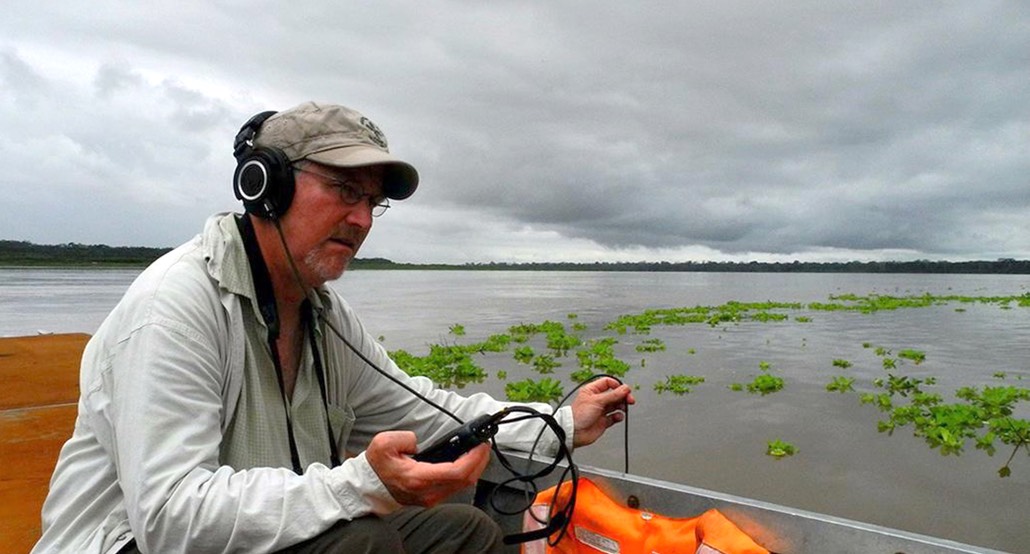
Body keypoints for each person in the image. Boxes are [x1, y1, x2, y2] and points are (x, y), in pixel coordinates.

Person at [33, 101, 634, 554]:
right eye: (345, 189)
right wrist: (360, 484)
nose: (362, 218)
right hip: (125, 544)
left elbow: (427, 412)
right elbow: (170, 518)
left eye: (374, 202)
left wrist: (559, 425)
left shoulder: (321, 314)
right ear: (265, 186)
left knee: (465, 530)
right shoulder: (177, 305)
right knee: (361, 544)